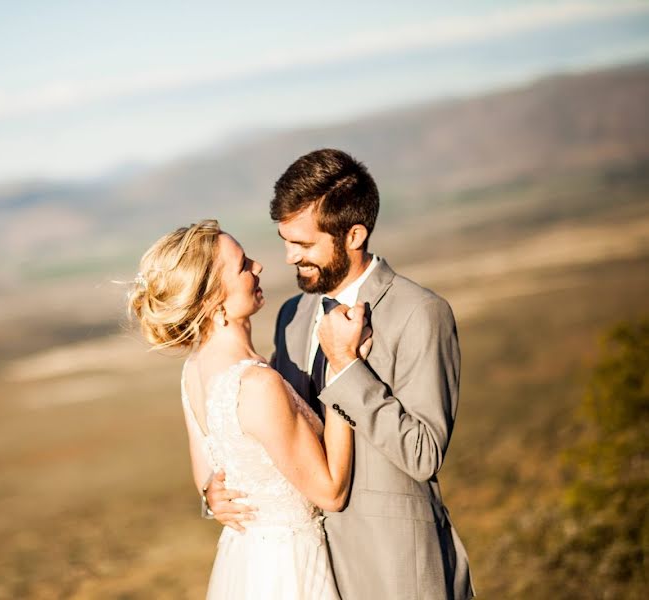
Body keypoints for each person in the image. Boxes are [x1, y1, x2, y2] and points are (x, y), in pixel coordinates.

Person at [206, 149, 475, 599]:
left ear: (354, 234)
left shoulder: (420, 313)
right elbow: (283, 427)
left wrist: (348, 368)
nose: (289, 257)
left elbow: (424, 453)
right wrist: (218, 491)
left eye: (305, 244)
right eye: (285, 240)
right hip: (306, 569)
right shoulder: (291, 314)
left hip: (393, 568)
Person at [128, 219, 373, 599]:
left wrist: (212, 497)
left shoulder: (193, 371)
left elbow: (208, 478)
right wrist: (343, 366)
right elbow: (331, 493)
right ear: (212, 300)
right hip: (289, 570)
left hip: (246, 564)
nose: (258, 267)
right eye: (243, 265)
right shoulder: (257, 385)